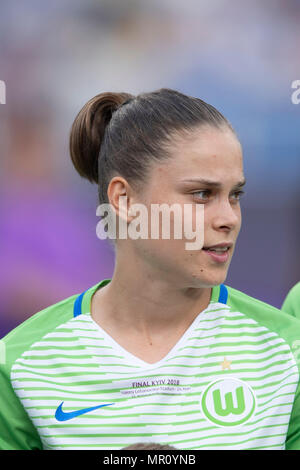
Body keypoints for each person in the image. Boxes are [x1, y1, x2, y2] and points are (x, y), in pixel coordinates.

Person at [1, 88, 300, 450]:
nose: (229, 218)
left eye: (235, 195)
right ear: (124, 200)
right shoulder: (19, 363)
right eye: (202, 194)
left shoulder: (288, 351)